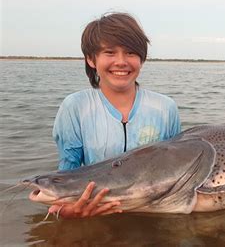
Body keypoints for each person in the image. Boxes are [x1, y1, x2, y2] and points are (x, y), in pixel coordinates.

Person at [47, 12, 181, 218]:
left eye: (130, 53)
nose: (121, 62)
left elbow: (178, 172)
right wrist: (70, 211)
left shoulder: (165, 107)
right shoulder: (75, 106)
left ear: (141, 59)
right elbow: (66, 177)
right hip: (98, 213)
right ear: (91, 59)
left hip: (153, 213)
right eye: (109, 52)